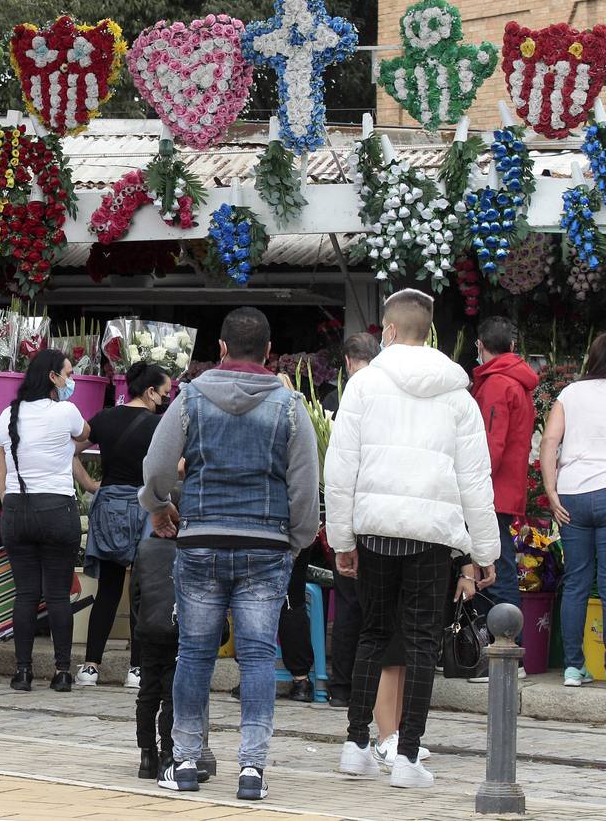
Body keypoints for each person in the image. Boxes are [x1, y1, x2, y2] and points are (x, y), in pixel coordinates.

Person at [141, 307, 319, 801]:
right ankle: (252, 770)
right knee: (259, 655)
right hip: (266, 545)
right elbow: (305, 484)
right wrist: (297, 537)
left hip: (200, 540)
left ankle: (184, 761)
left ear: (220, 348)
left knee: (194, 653)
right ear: (269, 351)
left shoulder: (190, 398)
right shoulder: (289, 405)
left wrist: (159, 507)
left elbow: (156, 465)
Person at [326, 289, 498, 789]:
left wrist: (342, 539)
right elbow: (475, 478)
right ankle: (406, 757)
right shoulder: (458, 395)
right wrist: (484, 551)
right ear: (429, 332)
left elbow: (340, 468)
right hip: (432, 536)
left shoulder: (363, 387)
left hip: (375, 528)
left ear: (389, 330)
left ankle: (357, 745)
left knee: (373, 635)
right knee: (422, 642)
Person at [0, 348, 90, 693]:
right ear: (53, 376)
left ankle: (22, 671)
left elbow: (1, 471)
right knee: (58, 595)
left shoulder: (7, 415)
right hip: (57, 509)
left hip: (17, 510)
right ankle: (63, 671)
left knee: (25, 594)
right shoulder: (66, 411)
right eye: (68, 372)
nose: (71, 379)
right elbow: (86, 434)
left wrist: (10, 505)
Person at [74, 360, 170, 690]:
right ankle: (137, 669)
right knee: (142, 591)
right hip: (145, 508)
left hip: (109, 508)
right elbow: (173, 467)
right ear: (150, 391)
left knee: (109, 589)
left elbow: (71, 450)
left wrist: (89, 483)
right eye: (164, 393)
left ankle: (90, 666)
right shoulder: (158, 426)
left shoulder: (104, 418)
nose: (165, 399)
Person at [540, 330, 606, 691]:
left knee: (575, 582)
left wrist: (550, 489)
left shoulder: (570, 394)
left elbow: (548, 441)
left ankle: (574, 668)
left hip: (572, 493)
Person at [322, 332, 379, 708]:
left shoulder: (334, 400)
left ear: (346, 361)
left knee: (348, 605)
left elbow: (336, 469)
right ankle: (374, 685)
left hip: (347, 510)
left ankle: (341, 685)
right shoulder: (386, 397)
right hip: (379, 514)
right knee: (378, 604)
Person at [471, 316, 538, 631]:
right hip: (506, 488)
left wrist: (475, 484)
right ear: (512, 346)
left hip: (491, 490)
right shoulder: (517, 381)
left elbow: (490, 444)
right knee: (499, 565)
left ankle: (504, 650)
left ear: (480, 346)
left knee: (496, 570)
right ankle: (507, 648)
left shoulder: (497, 383)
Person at [131, 530, 178, 779]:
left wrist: (142, 623)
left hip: (148, 629)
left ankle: (146, 755)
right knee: (172, 696)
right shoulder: (188, 548)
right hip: (177, 630)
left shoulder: (144, 547)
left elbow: (135, 594)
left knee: (147, 693)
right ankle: (168, 754)